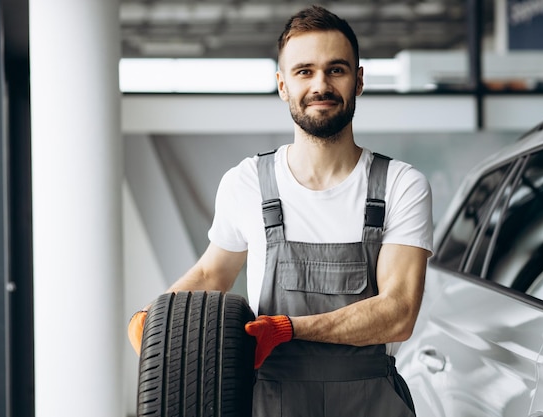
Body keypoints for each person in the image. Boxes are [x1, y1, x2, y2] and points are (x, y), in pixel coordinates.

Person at [128, 5, 433, 416]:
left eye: (336, 70)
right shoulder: (247, 182)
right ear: (282, 84)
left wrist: (289, 329)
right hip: (273, 402)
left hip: (371, 401)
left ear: (359, 80)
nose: (320, 85)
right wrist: (159, 319)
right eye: (304, 71)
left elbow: (398, 313)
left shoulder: (400, 184)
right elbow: (211, 273)